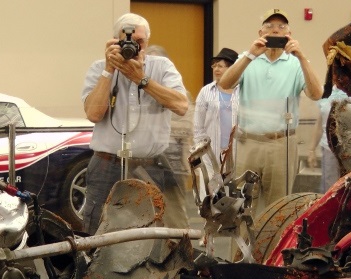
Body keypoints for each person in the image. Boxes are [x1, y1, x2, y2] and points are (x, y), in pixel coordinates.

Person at [81, 13, 190, 235]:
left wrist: (142, 79)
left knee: (154, 232)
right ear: (114, 41)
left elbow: (181, 105)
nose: (133, 46)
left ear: (147, 43)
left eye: (139, 42)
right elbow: (93, 113)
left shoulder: (161, 67)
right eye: (126, 41)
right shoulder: (99, 68)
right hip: (106, 164)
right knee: (96, 230)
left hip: (149, 165)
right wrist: (108, 71)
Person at [218, 8, 323, 212]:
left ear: (288, 34)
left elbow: (316, 93)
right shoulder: (246, 59)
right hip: (248, 142)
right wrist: (250, 55)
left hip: (281, 144)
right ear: (261, 33)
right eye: (270, 26)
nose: (275, 31)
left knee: (278, 209)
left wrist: (301, 56)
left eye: (281, 27)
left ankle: (274, 245)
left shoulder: (296, 63)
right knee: (242, 207)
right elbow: (225, 83)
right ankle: (243, 246)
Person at [193, 48, 240, 194]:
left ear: (233, 68)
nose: (216, 69)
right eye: (214, 66)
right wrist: (201, 151)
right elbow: (198, 126)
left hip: (238, 152)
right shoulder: (206, 91)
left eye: (220, 66)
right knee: (210, 197)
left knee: (237, 198)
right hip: (211, 153)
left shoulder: (243, 91)